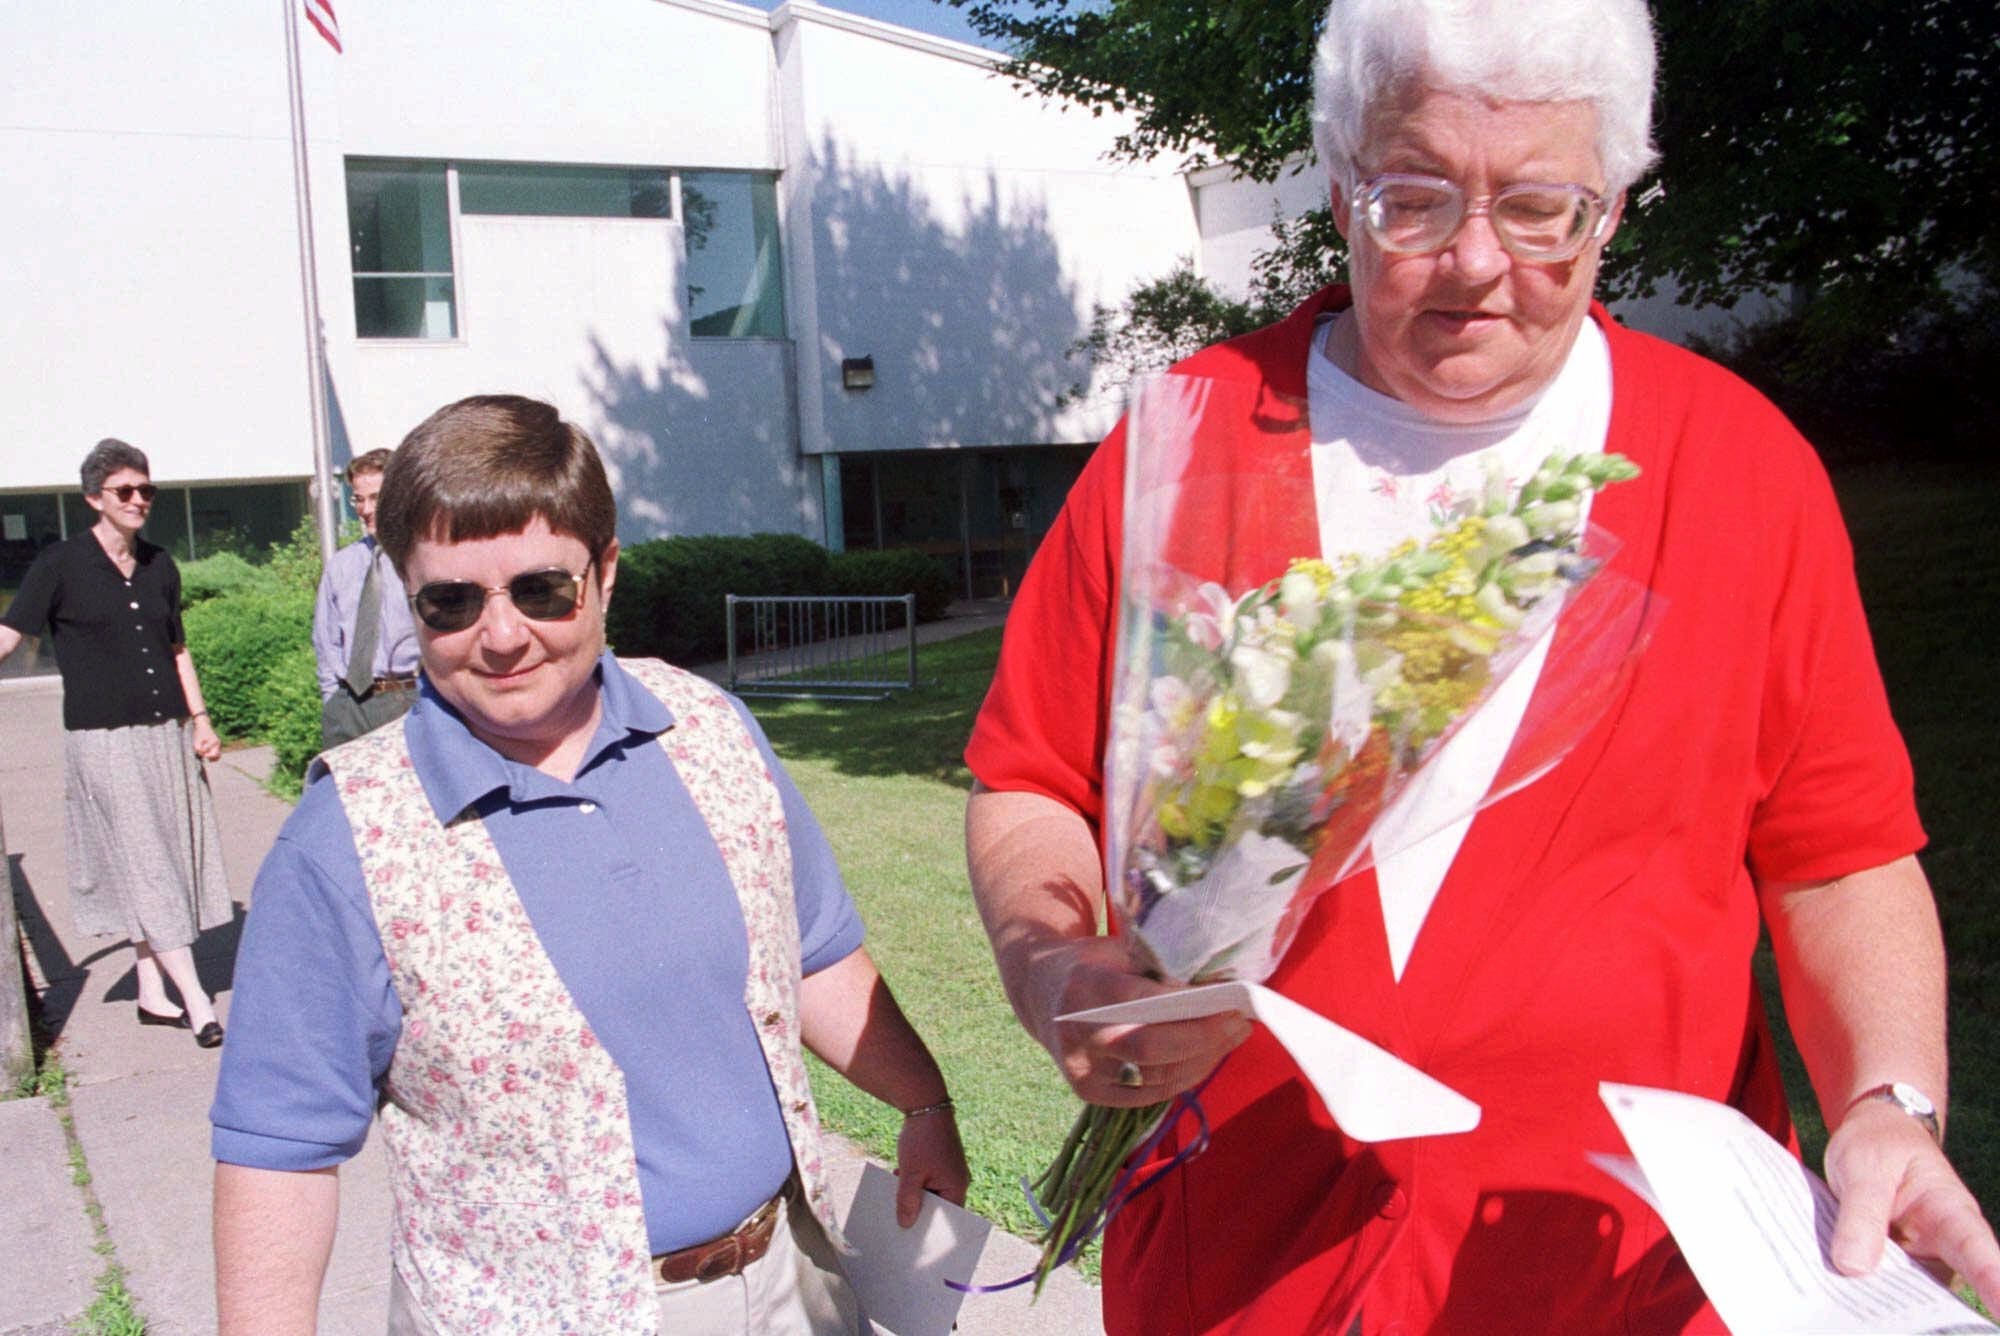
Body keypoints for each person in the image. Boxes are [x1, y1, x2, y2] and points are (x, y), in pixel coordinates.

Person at [962, 1, 2000, 1332]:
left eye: (1538, 207)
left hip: (1624, 1268)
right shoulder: (1189, 439)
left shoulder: (1739, 468)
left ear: (1614, 207)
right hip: (1249, 1266)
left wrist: (1888, 1103)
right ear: (1338, 185)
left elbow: (1839, 852)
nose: (1473, 262)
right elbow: (1031, 778)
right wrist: (1062, 982)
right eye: (1415, 197)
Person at [211, 395, 968, 1335]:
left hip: (790, 1284)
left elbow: (814, 955)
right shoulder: (345, 841)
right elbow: (279, 1154)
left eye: (540, 590)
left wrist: (925, 1102)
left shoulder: (710, 731)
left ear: (603, 573)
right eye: (451, 601)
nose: (500, 635)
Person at [0, 438, 230, 1048]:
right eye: (126, 491)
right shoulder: (60, 563)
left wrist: (200, 720)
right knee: (148, 861)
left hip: (166, 735)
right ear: (94, 498)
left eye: (147, 490)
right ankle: (199, 1002)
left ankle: (151, 994)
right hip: (103, 741)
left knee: (162, 858)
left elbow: (177, 648)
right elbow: (11, 632)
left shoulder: (160, 565)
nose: (139, 500)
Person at [312, 448, 420, 749]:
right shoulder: (342, 565)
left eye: (376, 498)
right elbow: (326, 640)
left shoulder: (421, 560)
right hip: (349, 706)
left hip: (407, 698)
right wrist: (333, 701)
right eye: (358, 499)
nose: (365, 509)